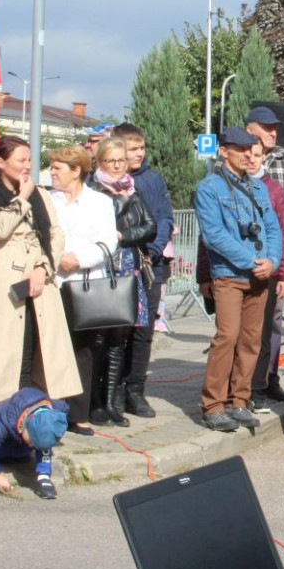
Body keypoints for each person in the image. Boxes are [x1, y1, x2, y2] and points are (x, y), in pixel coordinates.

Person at [0, 135, 81, 409]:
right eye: (21, 160)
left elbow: (54, 233)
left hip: (37, 282)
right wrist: (22, 198)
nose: (27, 166)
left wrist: (43, 267)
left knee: (32, 353)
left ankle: (25, 424)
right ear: (0, 162)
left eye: (30, 159)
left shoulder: (40, 193)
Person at [195, 128, 281, 432]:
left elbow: (273, 228)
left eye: (251, 149)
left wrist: (271, 262)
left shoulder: (257, 189)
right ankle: (213, 405)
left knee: (251, 340)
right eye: (241, 149)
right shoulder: (209, 188)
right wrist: (250, 262)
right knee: (227, 337)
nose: (248, 154)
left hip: (259, 277)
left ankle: (239, 401)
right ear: (224, 151)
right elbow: (214, 236)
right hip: (230, 276)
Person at [47, 145, 118, 434]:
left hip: (86, 282)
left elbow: (107, 242)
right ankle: (49, 409)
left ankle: (79, 412)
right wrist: (58, 258)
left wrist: (78, 260)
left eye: (58, 167)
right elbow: (39, 236)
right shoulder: (46, 200)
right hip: (54, 281)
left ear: (76, 171)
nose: (52, 171)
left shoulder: (100, 202)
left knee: (84, 350)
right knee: (50, 349)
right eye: (51, 167)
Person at [85, 138, 156, 427]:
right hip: (104, 270)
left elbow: (149, 227)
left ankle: (114, 399)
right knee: (99, 338)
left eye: (121, 161)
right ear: (99, 163)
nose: (117, 167)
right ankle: (95, 401)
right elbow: (99, 225)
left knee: (120, 338)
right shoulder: (93, 190)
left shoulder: (132, 190)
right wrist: (122, 207)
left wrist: (124, 236)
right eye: (111, 162)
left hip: (128, 268)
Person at [112, 123, 175, 419]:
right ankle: (111, 390)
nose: (140, 153)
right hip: (118, 265)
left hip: (150, 263)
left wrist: (153, 250)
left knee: (143, 329)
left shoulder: (152, 179)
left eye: (142, 148)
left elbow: (164, 218)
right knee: (116, 330)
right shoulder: (106, 181)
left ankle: (135, 390)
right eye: (133, 148)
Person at [246, 106, 284, 401]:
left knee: (274, 323)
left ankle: (270, 378)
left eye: (275, 128)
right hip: (247, 259)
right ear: (250, 128)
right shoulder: (232, 154)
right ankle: (245, 383)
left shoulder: (283, 158)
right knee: (246, 328)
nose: (273, 132)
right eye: (267, 128)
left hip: (278, 255)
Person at [0, 387, 69, 499]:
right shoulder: (10, 418)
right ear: (26, 426)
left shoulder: (56, 409)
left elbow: (65, 409)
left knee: (46, 435)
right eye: (31, 442)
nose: (32, 446)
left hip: (19, 447)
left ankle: (43, 476)